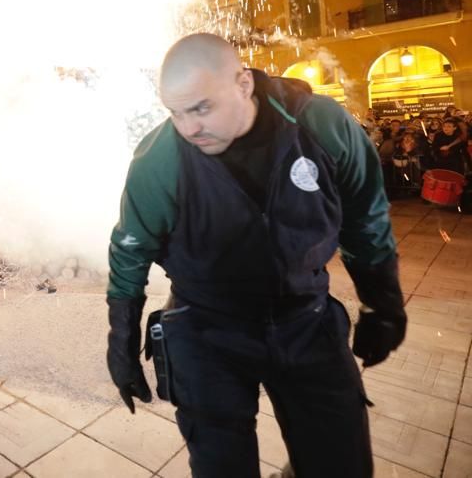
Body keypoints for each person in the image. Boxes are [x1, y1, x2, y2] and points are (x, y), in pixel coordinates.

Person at [106, 34, 405, 478]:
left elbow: (365, 217)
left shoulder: (321, 126)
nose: (188, 127)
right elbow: (130, 249)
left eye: (201, 108)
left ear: (244, 83)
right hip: (206, 330)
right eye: (175, 112)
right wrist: (122, 344)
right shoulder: (160, 158)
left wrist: (383, 304)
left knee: (341, 465)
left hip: (307, 318)